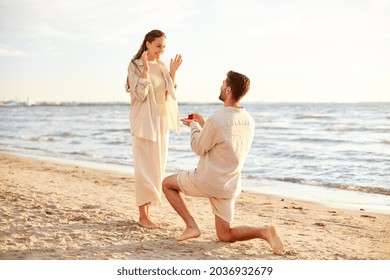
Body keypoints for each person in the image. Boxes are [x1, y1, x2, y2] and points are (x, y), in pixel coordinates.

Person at [162, 71, 285, 255]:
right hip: (229, 185)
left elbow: (198, 147)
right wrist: (204, 124)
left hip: (207, 180)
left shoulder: (217, 119)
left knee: (167, 184)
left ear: (228, 89)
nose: (220, 86)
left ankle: (192, 226)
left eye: (223, 83)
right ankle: (265, 231)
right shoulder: (248, 120)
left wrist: (194, 126)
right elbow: (225, 142)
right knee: (225, 234)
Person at [125, 30, 183, 229]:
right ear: (148, 44)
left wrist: (173, 72)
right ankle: (143, 216)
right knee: (144, 170)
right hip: (144, 122)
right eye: (158, 46)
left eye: (164, 47)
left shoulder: (161, 66)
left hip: (161, 122)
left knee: (157, 168)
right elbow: (139, 95)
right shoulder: (135, 65)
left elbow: (169, 93)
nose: (161, 51)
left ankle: (147, 214)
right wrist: (144, 74)